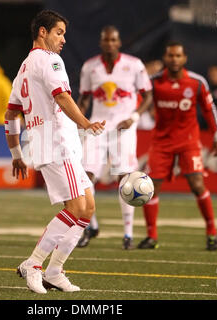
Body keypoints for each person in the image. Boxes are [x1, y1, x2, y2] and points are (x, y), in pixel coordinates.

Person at [4, 10, 105, 294]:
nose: (62, 40)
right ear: (42, 32)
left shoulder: (23, 68)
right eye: (58, 32)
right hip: (57, 143)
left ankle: (54, 271)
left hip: (50, 143)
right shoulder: (50, 60)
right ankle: (33, 265)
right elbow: (62, 95)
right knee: (76, 209)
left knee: (87, 209)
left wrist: (16, 153)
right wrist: (86, 123)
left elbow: (10, 115)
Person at [140, 41, 217, 251]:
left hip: (188, 142)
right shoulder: (153, 82)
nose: (174, 59)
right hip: (161, 142)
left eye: (178, 56)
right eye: (170, 56)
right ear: (165, 58)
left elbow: (209, 109)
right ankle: (151, 236)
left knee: (197, 185)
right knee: (151, 188)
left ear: (184, 58)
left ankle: (212, 233)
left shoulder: (196, 82)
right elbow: (141, 101)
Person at [75, 25, 153, 249]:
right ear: (101, 43)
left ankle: (128, 234)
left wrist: (135, 116)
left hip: (124, 126)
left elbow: (147, 95)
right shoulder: (90, 67)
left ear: (119, 42)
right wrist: (80, 120)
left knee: (125, 179)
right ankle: (91, 225)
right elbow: (84, 98)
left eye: (113, 40)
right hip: (97, 125)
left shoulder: (134, 65)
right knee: (85, 176)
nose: (109, 44)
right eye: (105, 40)